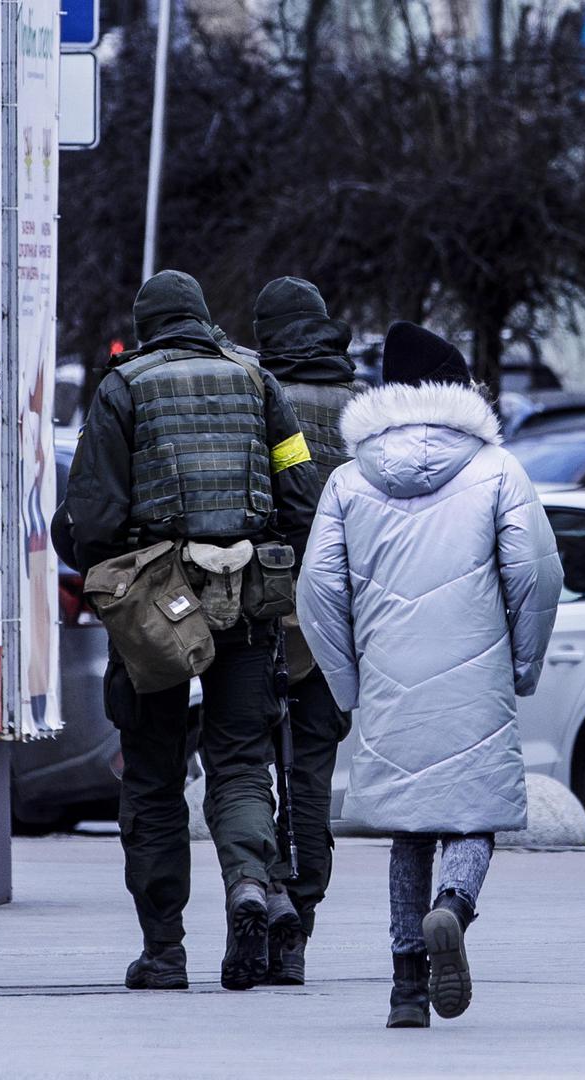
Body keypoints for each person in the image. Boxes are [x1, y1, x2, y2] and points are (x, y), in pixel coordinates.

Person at [296, 322, 561, 1028]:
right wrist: (523, 663)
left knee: (408, 832)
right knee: (472, 819)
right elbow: (535, 574)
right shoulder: (498, 471)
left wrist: (348, 684)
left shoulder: (348, 481)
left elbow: (317, 589)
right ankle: (454, 906)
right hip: (477, 676)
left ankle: (407, 989)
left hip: (387, 679)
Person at [64, 269, 321, 992]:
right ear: (204, 318)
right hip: (246, 598)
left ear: (147, 326)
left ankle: (163, 951)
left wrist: (109, 570)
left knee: (151, 777)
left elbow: (92, 515)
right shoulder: (258, 383)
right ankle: (247, 882)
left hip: (155, 607)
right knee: (241, 762)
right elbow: (299, 486)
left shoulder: (122, 388)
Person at [248, 276, 367, 985]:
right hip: (335, 618)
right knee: (312, 771)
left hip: (261, 607)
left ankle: (268, 890)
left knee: (252, 765)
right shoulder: (362, 408)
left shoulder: (256, 396)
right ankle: (305, 911)